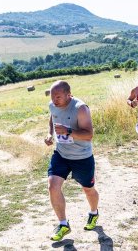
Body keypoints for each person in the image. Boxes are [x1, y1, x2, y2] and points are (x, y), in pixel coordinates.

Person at [44, 80, 99, 241]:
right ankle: (63, 224)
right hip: (61, 154)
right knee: (52, 186)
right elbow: (52, 119)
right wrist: (49, 134)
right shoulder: (52, 105)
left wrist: (68, 131)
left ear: (69, 95)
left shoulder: (80, 108)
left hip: (82, 157)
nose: (54, 100)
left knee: (88, 189)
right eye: (52, 96)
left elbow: (88, 135)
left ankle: (94, 212)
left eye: (58, 97)